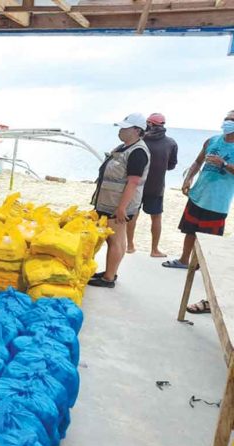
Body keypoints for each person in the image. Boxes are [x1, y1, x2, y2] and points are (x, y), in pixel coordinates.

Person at [162, 110, 234, 314]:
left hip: (217, 202)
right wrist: (188, 178)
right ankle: (184, 260)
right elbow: (198, 161)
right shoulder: (212, 140)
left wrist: (224, 164)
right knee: (189, 230)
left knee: (209, 241)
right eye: (227, 118)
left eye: (232, 120)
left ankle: (205, 271)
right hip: (198, 195)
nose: (228, 122)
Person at [89, 113, 151, 289]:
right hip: (112, 200)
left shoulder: (138, 152)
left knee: (114, 240)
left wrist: (122, 208)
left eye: (125, 127)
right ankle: (111, 272)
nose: (121, 130)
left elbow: (133, 182)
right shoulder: (125, 147)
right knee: (118, 239)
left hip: (116, 204)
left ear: (137, 131)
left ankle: (108, 278)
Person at [126, 113, 178, 257]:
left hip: (136, 185)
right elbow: (171, 166)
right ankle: (154, 250)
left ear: (148, 124)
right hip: (156, 186)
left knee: (132, 215)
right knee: (156, 217)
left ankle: (130, 245)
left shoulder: (138, 140)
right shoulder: (171, 143)